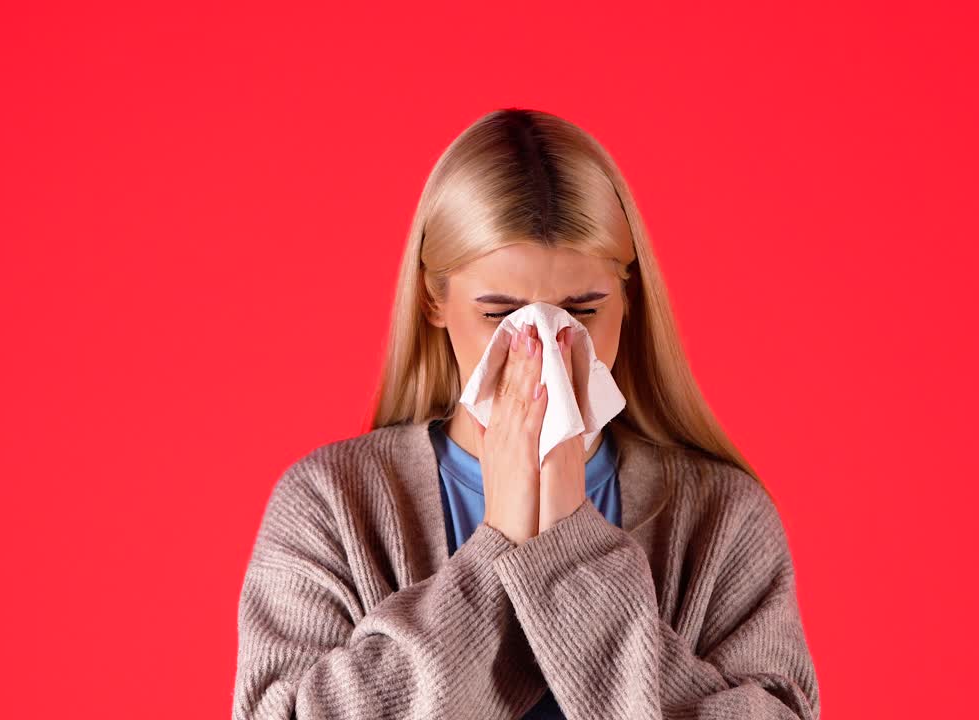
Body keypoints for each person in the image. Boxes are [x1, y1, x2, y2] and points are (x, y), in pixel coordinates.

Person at [231, 107, 821, 720]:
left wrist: (569, 541)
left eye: (583, 310)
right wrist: (501, 545)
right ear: (436, 301)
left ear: (629, 300)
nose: (542, 346)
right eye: (498, 314)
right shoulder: (330, 504)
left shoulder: (723, 519)